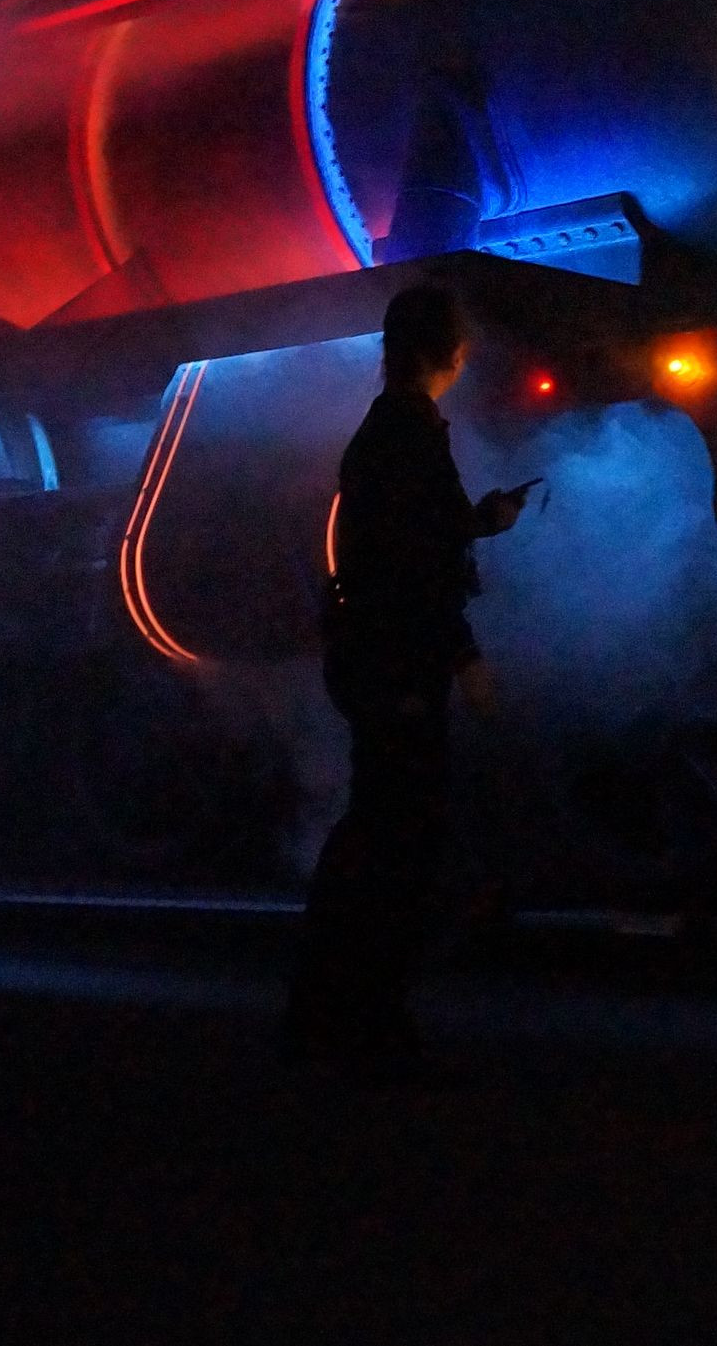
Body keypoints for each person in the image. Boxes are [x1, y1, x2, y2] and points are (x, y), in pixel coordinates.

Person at [283, 281, 532, 1078]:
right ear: (443, 352)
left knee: (378, 826)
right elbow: (418, 561)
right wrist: (463, 654)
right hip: (400, 661)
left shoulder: (387, 430)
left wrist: (478, 521)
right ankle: (366, 1008)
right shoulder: (410, 433)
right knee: (398, 834)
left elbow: (417, 535)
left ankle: (333, 1001)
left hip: (377, 654)